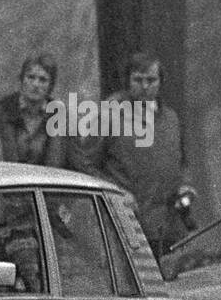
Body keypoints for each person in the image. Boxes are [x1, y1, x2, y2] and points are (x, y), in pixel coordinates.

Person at [71, 51, 196, 261]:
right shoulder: (109, 114)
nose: (145, 86)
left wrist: (185, 186)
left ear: (160, 82)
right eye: (138, 80)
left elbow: (182, 162)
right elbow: (85, 162)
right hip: (126, 225)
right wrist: (116, 191)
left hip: (168, 227)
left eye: (151, 80)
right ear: (127, 81)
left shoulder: (171, 119)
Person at [0, 53, 65, 168]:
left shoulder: (59, 116)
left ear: (50, 85)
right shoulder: (0, 112)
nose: (35, 84)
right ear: (22, 79)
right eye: (31, 77)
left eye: (43, 80)